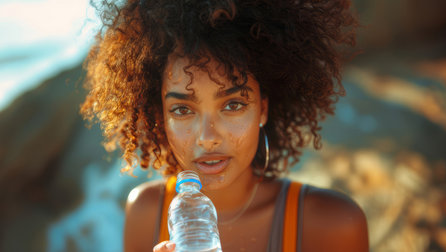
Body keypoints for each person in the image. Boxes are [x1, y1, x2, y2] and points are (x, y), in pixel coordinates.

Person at [80, 0, 369, 251]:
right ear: (161, 118)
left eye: (233, 105)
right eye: (182, 109)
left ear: (263, 109)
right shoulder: (145, 214)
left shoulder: (332, 225)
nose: (207, 138)